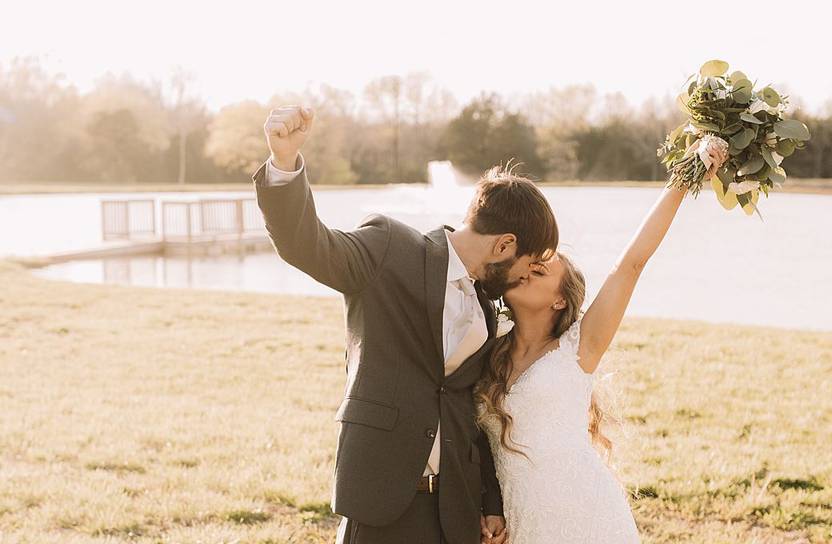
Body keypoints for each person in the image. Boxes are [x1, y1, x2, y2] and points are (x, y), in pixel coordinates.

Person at [252, 104, 560, 543]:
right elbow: (308, 245)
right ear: (504, 244)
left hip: (452, 513)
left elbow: (470, 414)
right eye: (527, 265)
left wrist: (489, 501)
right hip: (379, 502)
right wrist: (284, 163)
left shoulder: (487, 314)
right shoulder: (389, 249)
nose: (525, 277)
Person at [474, 142, 726, 543]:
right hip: (523, 522)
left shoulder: (578, 349)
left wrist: (685, 175)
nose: (528, 269)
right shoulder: (486, 353)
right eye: (528, 263)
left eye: (541, 269)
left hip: (586, 515)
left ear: (560, 299)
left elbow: (629, 264)